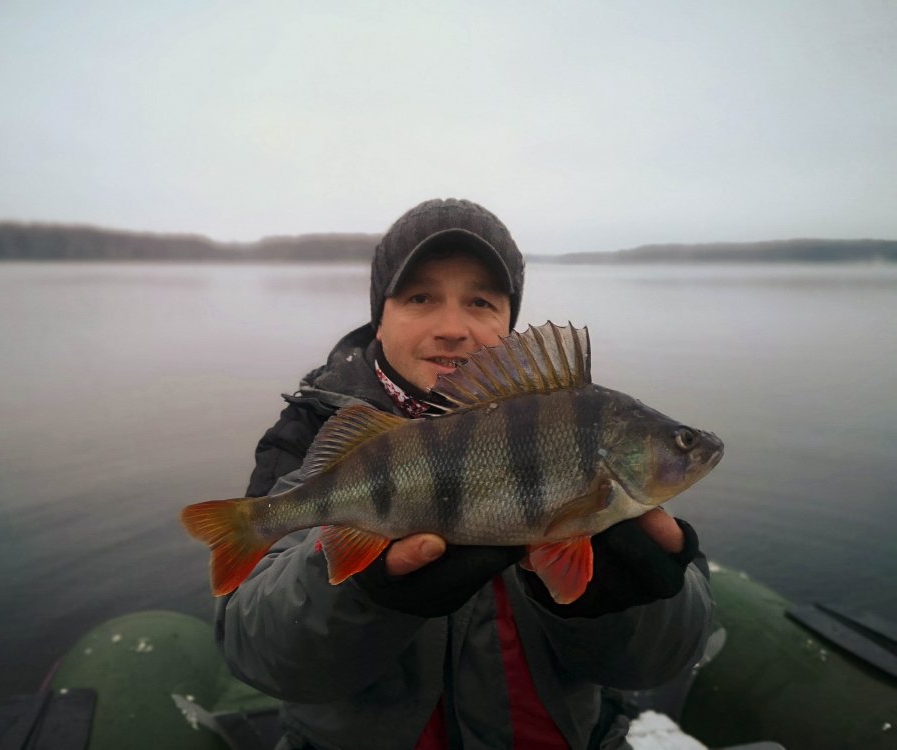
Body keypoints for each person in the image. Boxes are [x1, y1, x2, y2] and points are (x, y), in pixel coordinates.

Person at [216, 198, 713, 750]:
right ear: (380, 315)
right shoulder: (313, 433)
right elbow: (251, 650)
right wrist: (364, 593)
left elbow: (660, 661)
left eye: (480, 301)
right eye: (420, 297)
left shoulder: (583, 428)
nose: (452, 328)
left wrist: (628, 605)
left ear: (510, 323)